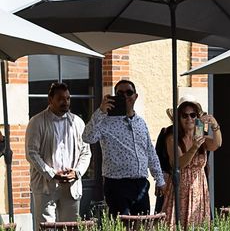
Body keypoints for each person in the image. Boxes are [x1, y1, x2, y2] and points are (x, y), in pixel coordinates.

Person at [82, 79, 165, 216]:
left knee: (142, 224)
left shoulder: (141, 122)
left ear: (135, 96)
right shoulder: (105, 121)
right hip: (117, 184)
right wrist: (101, 112)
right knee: (121, 225)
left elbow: (150, 152)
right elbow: (87, 137)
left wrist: (159, 179)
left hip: (141, 184)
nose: (125, 96)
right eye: (120, 93)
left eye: (129, 93)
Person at [26, 82, 92, 227]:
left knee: (71, 227)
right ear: (50, 100)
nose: (65, 102)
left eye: (68, 98)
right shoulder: (36, 122)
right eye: (61, 99)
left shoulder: (78, 122)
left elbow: (86, 152)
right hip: (45, 185)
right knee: (46, 227)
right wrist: (51, 173)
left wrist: (77, 172)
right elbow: (31, 153)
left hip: (71, 185)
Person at [161, 97, 222, 228]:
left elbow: (217, 144)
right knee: (179, 223)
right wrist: (194, 147)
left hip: (199, 187)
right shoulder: (173, 138)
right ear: (179, 119)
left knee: (198, 224)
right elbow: (179, 164)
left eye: (193, 115)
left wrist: (215, 125)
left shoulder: (201, 136)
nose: (189, 119)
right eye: (185, 115)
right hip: (181, 186)